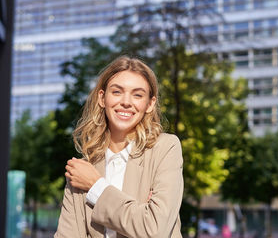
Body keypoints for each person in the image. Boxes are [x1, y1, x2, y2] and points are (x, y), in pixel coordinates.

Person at [54, 56, 184, 238]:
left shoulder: (165, 148)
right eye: (117, 92)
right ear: (102, 97)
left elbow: (155, 229)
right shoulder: (83, 169)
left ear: (150, 104)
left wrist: (96, 186)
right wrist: (138, 213)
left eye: (137, 95)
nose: (126, 102)